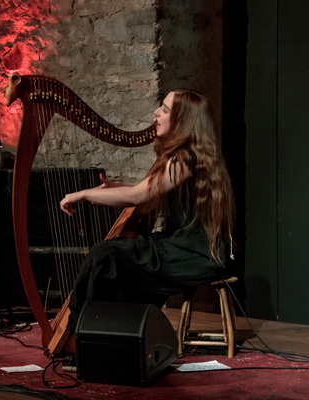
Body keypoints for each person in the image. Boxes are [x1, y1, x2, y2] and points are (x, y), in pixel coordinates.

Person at [59, 89, 235, 331]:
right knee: (113, 257)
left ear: (182, 120)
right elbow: (145, 189)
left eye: (164, 109)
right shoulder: (192, 155)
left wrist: (83, 194)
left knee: (105, 255)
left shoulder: (184, 158)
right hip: (186, 249)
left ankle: (82, 330)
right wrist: (114, 188)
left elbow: (138, 195)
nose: (156, 112)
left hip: (193, 256)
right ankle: (107, 329)